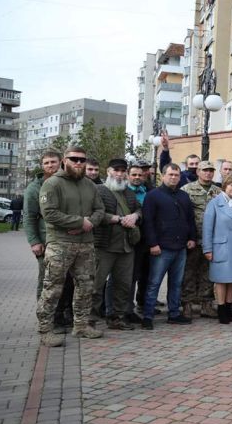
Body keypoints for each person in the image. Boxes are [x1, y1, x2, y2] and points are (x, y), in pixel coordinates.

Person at [36, 147, 106, 346]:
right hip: (60, 244)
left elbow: (100, 210)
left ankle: (81, 325)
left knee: (85, 287)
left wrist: (90, 223)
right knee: (52, 288)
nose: (78, 163)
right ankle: (45, 330)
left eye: (82, 160)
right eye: (74, 159)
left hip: (85, 245)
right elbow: (49, 213)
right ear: (64, 161)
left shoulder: (90, 185)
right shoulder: (52, 184)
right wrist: (79, 222)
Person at [141, 163, 197, 330]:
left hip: (180, 247)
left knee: (176, 283)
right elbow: (148, 222)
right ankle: (148, 315)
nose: (173, 177)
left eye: (176, 175)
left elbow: (190, 219)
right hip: (161, 248)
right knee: (154, 283)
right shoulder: (153, 196)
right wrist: (153, 244)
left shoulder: (184, 196)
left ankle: (173, 313)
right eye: (171, 174)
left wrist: (192, 237)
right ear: (163, 175)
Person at [25, 151, 72, 332]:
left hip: (68, 241)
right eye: (46, 163)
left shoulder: (67, 183)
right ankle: (45, 320)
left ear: (61, 162)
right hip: (46, 243)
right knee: (47, 281)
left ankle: (60, 316)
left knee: (67, 281)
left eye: (53, 162)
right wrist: (34, 242)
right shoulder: (34, 188)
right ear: (42, 165)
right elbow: (29, 218)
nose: (50, 165)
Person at [93, 158, 141, 331]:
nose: (120, 174)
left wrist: (135, 216)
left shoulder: (128, 192)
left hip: (126, 246)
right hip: (104, 245)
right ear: (108, 171)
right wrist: (115, 219)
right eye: (116, 170)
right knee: (95, 285)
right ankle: (89, 320)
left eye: (123, 171)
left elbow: (139, 209)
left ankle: (117, 318)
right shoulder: (98, 190)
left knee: (123, 285)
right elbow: (93, 213)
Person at [202, 174, 232, 324]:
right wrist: (207, 249)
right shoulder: (215, 203)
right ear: (225, 186)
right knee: (221, 280)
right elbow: (207, 228)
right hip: (220, 247)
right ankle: (221, 308)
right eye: (231, 185)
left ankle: (229, 307)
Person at [181, 161, 221, 318]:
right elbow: (183, 215)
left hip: (211, 239)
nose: (208, 173)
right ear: (198, 171)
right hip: (193, 237)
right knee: (189, 271)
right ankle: (187, 304)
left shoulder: (218, 192)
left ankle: (206, 304)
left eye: (211, 170)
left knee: (208, 272)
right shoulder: (187, 190)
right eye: (205, 170)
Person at [126, 162, 150, 323]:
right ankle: (126, 308)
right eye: (134, 174)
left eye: (140, 175)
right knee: (128, 277)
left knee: (143, 275)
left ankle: (139, 305)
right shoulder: (123, 192)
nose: (137, 177)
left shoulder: (147, 191)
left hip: (145, 239)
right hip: (127, 239)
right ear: (128, 175)